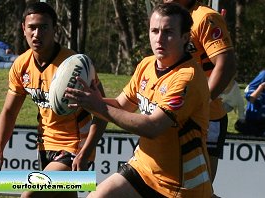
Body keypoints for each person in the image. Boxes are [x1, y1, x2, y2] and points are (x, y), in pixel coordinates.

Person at [65, 3, 212, 198]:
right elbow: (120, 106)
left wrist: (99, 106)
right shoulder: (146, 65)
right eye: (154, 31)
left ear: (184, 37)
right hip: (142, 169)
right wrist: (87, 100)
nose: (159, 39)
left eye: (168, 32)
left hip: (180, 187)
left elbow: (152, 127)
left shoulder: (187, 78)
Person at [0, 2, 107, 198]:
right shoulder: (21, 65)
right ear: (23, 29)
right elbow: (9, 112)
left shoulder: (77, 65)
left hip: (76, 148)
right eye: (32, 27)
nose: (37, 33)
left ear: (55, 29)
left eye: (43, 27)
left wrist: (86, 152)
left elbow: (103, 112)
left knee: (30, 193)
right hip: (45, 146)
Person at [163, 1, 237, 196]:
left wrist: (200, 104)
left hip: (204, 120)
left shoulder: (204, 17)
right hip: (171, 117)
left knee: (195, 192)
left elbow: (226, 64)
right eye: (154, 31)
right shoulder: (73, 61)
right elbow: (122, 103)